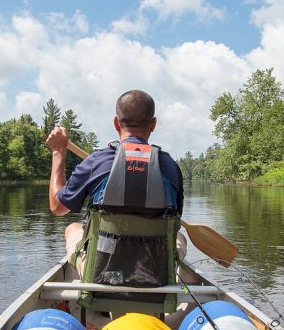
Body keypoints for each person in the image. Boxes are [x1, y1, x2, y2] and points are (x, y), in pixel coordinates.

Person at [45, 90, 186, 286]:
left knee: (73, 228)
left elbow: (57, 207)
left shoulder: (97, 161)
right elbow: (175, 217)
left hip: (103, 274)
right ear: (153, 124)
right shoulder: (170, 167)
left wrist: (58, 153)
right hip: (154, 275)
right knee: (179, 235)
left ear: (116, 123)